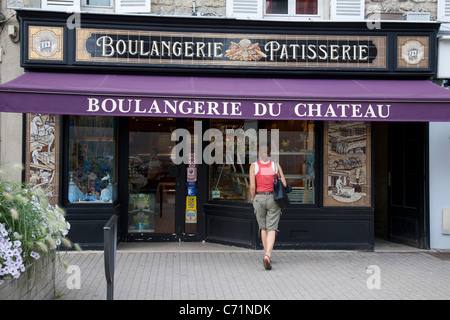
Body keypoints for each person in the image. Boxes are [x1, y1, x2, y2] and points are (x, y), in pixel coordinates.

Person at [249, 146, 287, 270]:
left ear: (259, 154)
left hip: (259, 197)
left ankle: (266, 254)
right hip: (273, 198)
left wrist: (253, 199)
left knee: (263, 228)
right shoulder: (275, 166)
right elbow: (284, 184)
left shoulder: (254, 166)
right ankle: (267, 255)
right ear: (269, 154)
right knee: (272, 228)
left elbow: (252, 187)